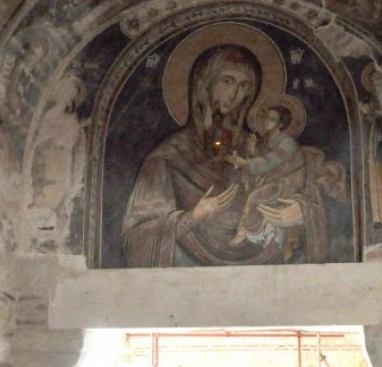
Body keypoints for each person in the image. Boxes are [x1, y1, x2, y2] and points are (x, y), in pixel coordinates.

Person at [121, 37, 347, 266]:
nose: (233, 94)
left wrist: (304, 214)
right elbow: (138, 235)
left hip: (268, 265)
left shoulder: (257, 146)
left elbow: (289, 181)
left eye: (244, 86)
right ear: (204, 84)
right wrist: (194, 217)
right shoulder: (168, 157)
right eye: (227, 81)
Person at [228, 103, 304, 260]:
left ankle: (242, 231)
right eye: (266, 118)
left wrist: (246, 162)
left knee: (254, 196)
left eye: (272, 119)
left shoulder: (287, 142)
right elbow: (262, 161)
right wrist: (252, 151)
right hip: (271, 180)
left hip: (286, 184)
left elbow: (270, 162)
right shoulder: (267, 141)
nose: (266, 122)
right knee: (246, 191)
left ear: (280, 124)